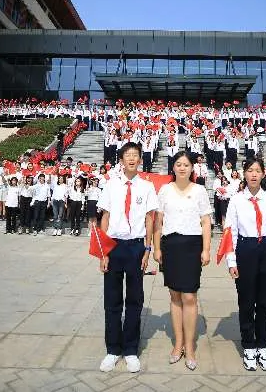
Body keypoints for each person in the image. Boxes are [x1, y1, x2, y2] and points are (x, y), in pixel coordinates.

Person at [96, 142, 159, 374]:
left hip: (136, 247)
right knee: (112, 301)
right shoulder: (111, 185)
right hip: (113, 246)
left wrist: (147, 250)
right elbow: (105, 218)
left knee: (134, 300)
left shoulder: (147, 187)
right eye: (127, 155)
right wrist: (103, 252)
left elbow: (150, 220)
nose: (131, 159)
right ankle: (112, 349)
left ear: (140, 159)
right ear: (121, 160)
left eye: (135, 155)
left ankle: (131, 349)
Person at [224, 158, 266, 372]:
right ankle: (249, 346)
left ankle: (263, 344)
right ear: (244, 173)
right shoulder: (236, 200)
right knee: (246, 301)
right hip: (245, 248)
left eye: (257, 171)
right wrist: (231, 261)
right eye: (250, 170)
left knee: (265, 301)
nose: (253, 174)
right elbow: (230, 233)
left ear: (262, 174)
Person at [153, 151, 212, 371]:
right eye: (178, 164)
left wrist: (206, 249)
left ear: (192, 168)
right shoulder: (165, 190)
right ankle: (178, 344)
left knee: (189, 295)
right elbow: (158, 221)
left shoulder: (199, 190)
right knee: (175, 295)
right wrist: (157, 248)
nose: (182, 168)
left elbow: (206, 222)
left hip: (192, 246)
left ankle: (190, 345)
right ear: (173, 167)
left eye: (186, 165)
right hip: (170, 246)